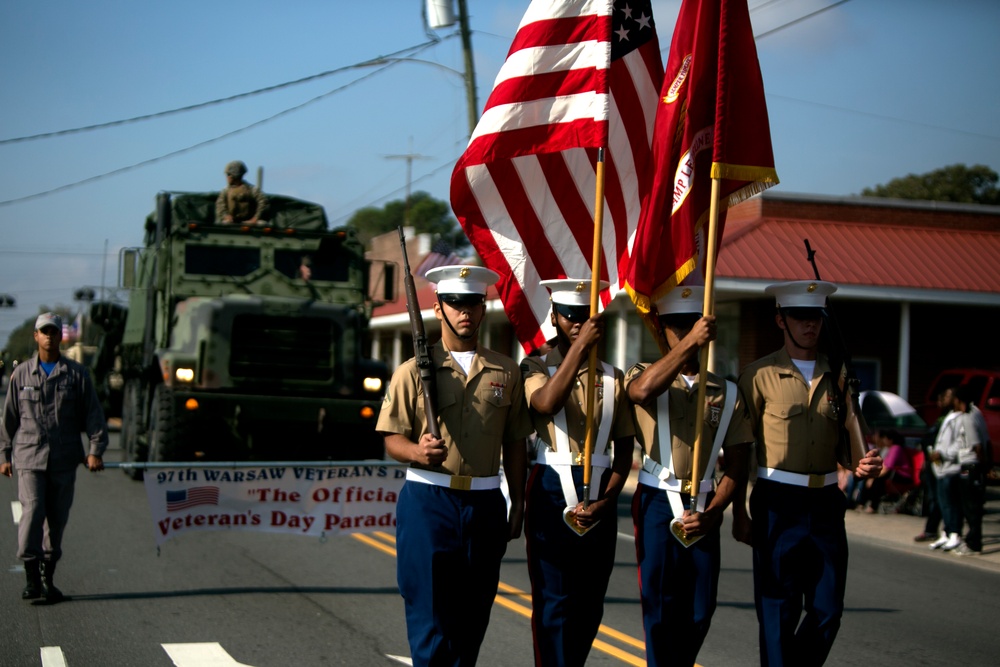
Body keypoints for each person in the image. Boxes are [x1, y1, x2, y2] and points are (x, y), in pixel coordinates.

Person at [376, 265, 532, 667]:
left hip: (484, 504)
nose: (465, 312)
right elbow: (392, 438)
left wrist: (518, 502)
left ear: (484, 309)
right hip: (429, 500)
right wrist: (416, 451)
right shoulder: (413, 370)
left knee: (472, 618)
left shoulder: (506, 371)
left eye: (474, 303)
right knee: (430, 616)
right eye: (455, 303)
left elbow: (515, 442)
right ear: (438, 309)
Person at [737, 281, 882, 666]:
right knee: (777, 611)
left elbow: (850, 445)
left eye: (815, 317)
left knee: (828, 610)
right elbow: (738, 447)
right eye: (800, 317)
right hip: (777, 501)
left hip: (826, 504)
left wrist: (862, 463)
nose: (809, 326)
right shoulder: (758, 375)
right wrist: (738, 509)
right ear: (780, 320)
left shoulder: (839, 378)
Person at [625, 286, 752, 667]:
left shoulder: (726, 392)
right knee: (660, 609)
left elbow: (739, 462)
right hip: (657, 503)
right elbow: (642, 391)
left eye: (692, 324)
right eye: (676, 326)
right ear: (661, 329)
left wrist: (716, 513)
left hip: (705, 504)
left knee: (700, 610)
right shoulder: (644, 373)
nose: (684, 332)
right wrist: (688, 344)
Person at [520, 279, 635, 667]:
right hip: (551, 486)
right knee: (554, 602)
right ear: (554, 317)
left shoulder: (613, 377)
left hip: (600, 492)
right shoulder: (535, 365)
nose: (576, 323)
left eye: (584, 317)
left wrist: (608, 500)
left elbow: (623, 452)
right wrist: (580, 349)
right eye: (569, 316)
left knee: (589, 604)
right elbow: (547, 402)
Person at [1, 313, 108, 603]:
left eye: (53, 331)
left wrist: (95, 451)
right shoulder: (21, 374)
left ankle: (49, 578)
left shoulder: (76, 374)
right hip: (29, 457)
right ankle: (31, 576)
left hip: (63, 458)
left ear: (60, 336)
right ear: (35, 336)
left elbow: (93, 415)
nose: (48, 336)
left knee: (57, 520)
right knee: (33, 510)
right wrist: (4, 454)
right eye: (43, 331)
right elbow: (9, 418)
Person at [914, 388, 953, 541]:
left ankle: (946, 531)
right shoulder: (941, 418)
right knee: (934, 499)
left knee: (940, 499)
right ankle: (934, 529)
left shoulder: (951, 418)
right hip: (932, 463)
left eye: (945, 397)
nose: (941, 400)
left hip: (943, 465)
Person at [951, 385, 985, 555]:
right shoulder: (977, 413)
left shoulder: (968, 417)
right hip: (973, 466)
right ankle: (973, 540)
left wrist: (979, 467)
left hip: (970, 465)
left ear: (959, 400)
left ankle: (973, 543)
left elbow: (977, 445)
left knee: (970, 506)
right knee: (973, 506)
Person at [858, 429, 913, 513]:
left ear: (890, 440)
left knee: (879, 480)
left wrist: (874, 477)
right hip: (893, 473)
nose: (884, 440)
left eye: (885, 439)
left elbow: (887, 467)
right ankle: (862, 503)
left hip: (903, 475)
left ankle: (873, 506)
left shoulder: (896, 448)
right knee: (869, 476)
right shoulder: (890, 449)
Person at [215, 160, 268, 225]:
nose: (227, 177)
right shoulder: (225, 191)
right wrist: (226, 216)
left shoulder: (251, 190)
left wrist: (255, 218)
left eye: (228, 175)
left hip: (250, 221)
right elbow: (220, 206)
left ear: (233, 176)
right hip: (231, 222)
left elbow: (263, 202)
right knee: (223, 224)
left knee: (262, 224)